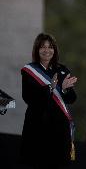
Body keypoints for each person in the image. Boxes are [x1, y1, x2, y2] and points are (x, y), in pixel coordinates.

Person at [21, 33, 77, 169]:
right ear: (37, 50)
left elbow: (72, 99)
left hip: (60, 130)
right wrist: (50, 88)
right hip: (38, 128)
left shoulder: (62, 70)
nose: (47, 50)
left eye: (50, 47)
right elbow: (28, 97)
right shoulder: (29, 71)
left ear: (55, 50)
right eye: (43, 47)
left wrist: (64, 89)